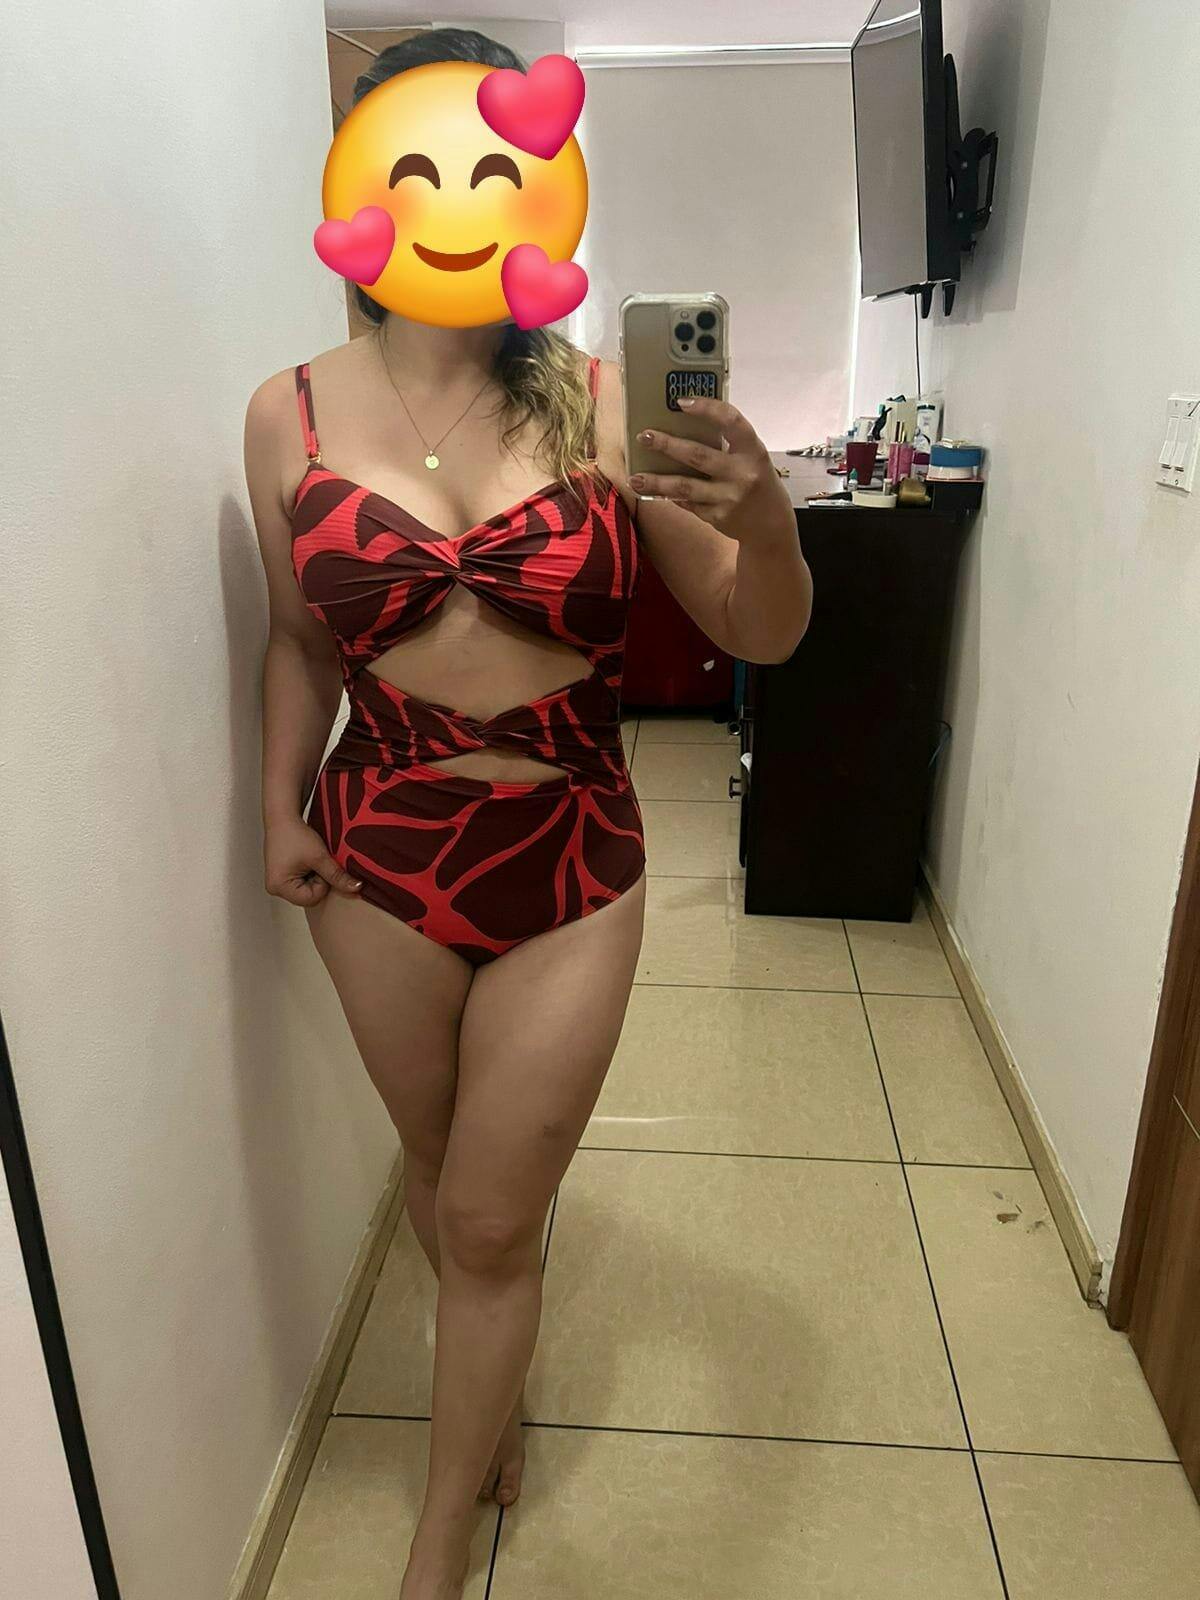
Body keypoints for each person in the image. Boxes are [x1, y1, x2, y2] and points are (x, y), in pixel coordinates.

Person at [243, 28, 812, 1599]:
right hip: (377, 856)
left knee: (493, 1216)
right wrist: (276, 804)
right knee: (441, 1168)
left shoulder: (606, 407)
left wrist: (767, 521)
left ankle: (440, 1536)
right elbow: (298, 639)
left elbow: (761, 632)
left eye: (500, 167)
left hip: (573, 853)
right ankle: (489, 1385)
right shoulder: (286, 415)